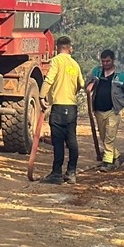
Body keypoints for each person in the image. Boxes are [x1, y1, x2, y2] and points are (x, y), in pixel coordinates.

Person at [41, 35, 86, 184]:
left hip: (59, 107)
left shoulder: (56, 61)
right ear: (69, 48)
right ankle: (71, 172)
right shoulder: (74, 64)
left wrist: (42, 97)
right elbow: (81, 84)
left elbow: (49, 80)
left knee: (58, 142)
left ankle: (56, 173)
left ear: (57, 48)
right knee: (72, 140)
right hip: (71, 107)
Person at [86, 49, 124, 171]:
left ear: (113, 60)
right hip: (98, 110)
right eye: (103, 61)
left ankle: (107, 162)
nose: (105, 64)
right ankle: (117, 156)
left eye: (108, 61)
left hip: (114, 110)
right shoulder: (96, 71)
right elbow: (86, 84)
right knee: (103, 136)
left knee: (110, 136)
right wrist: (91, 84)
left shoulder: (121, 75)